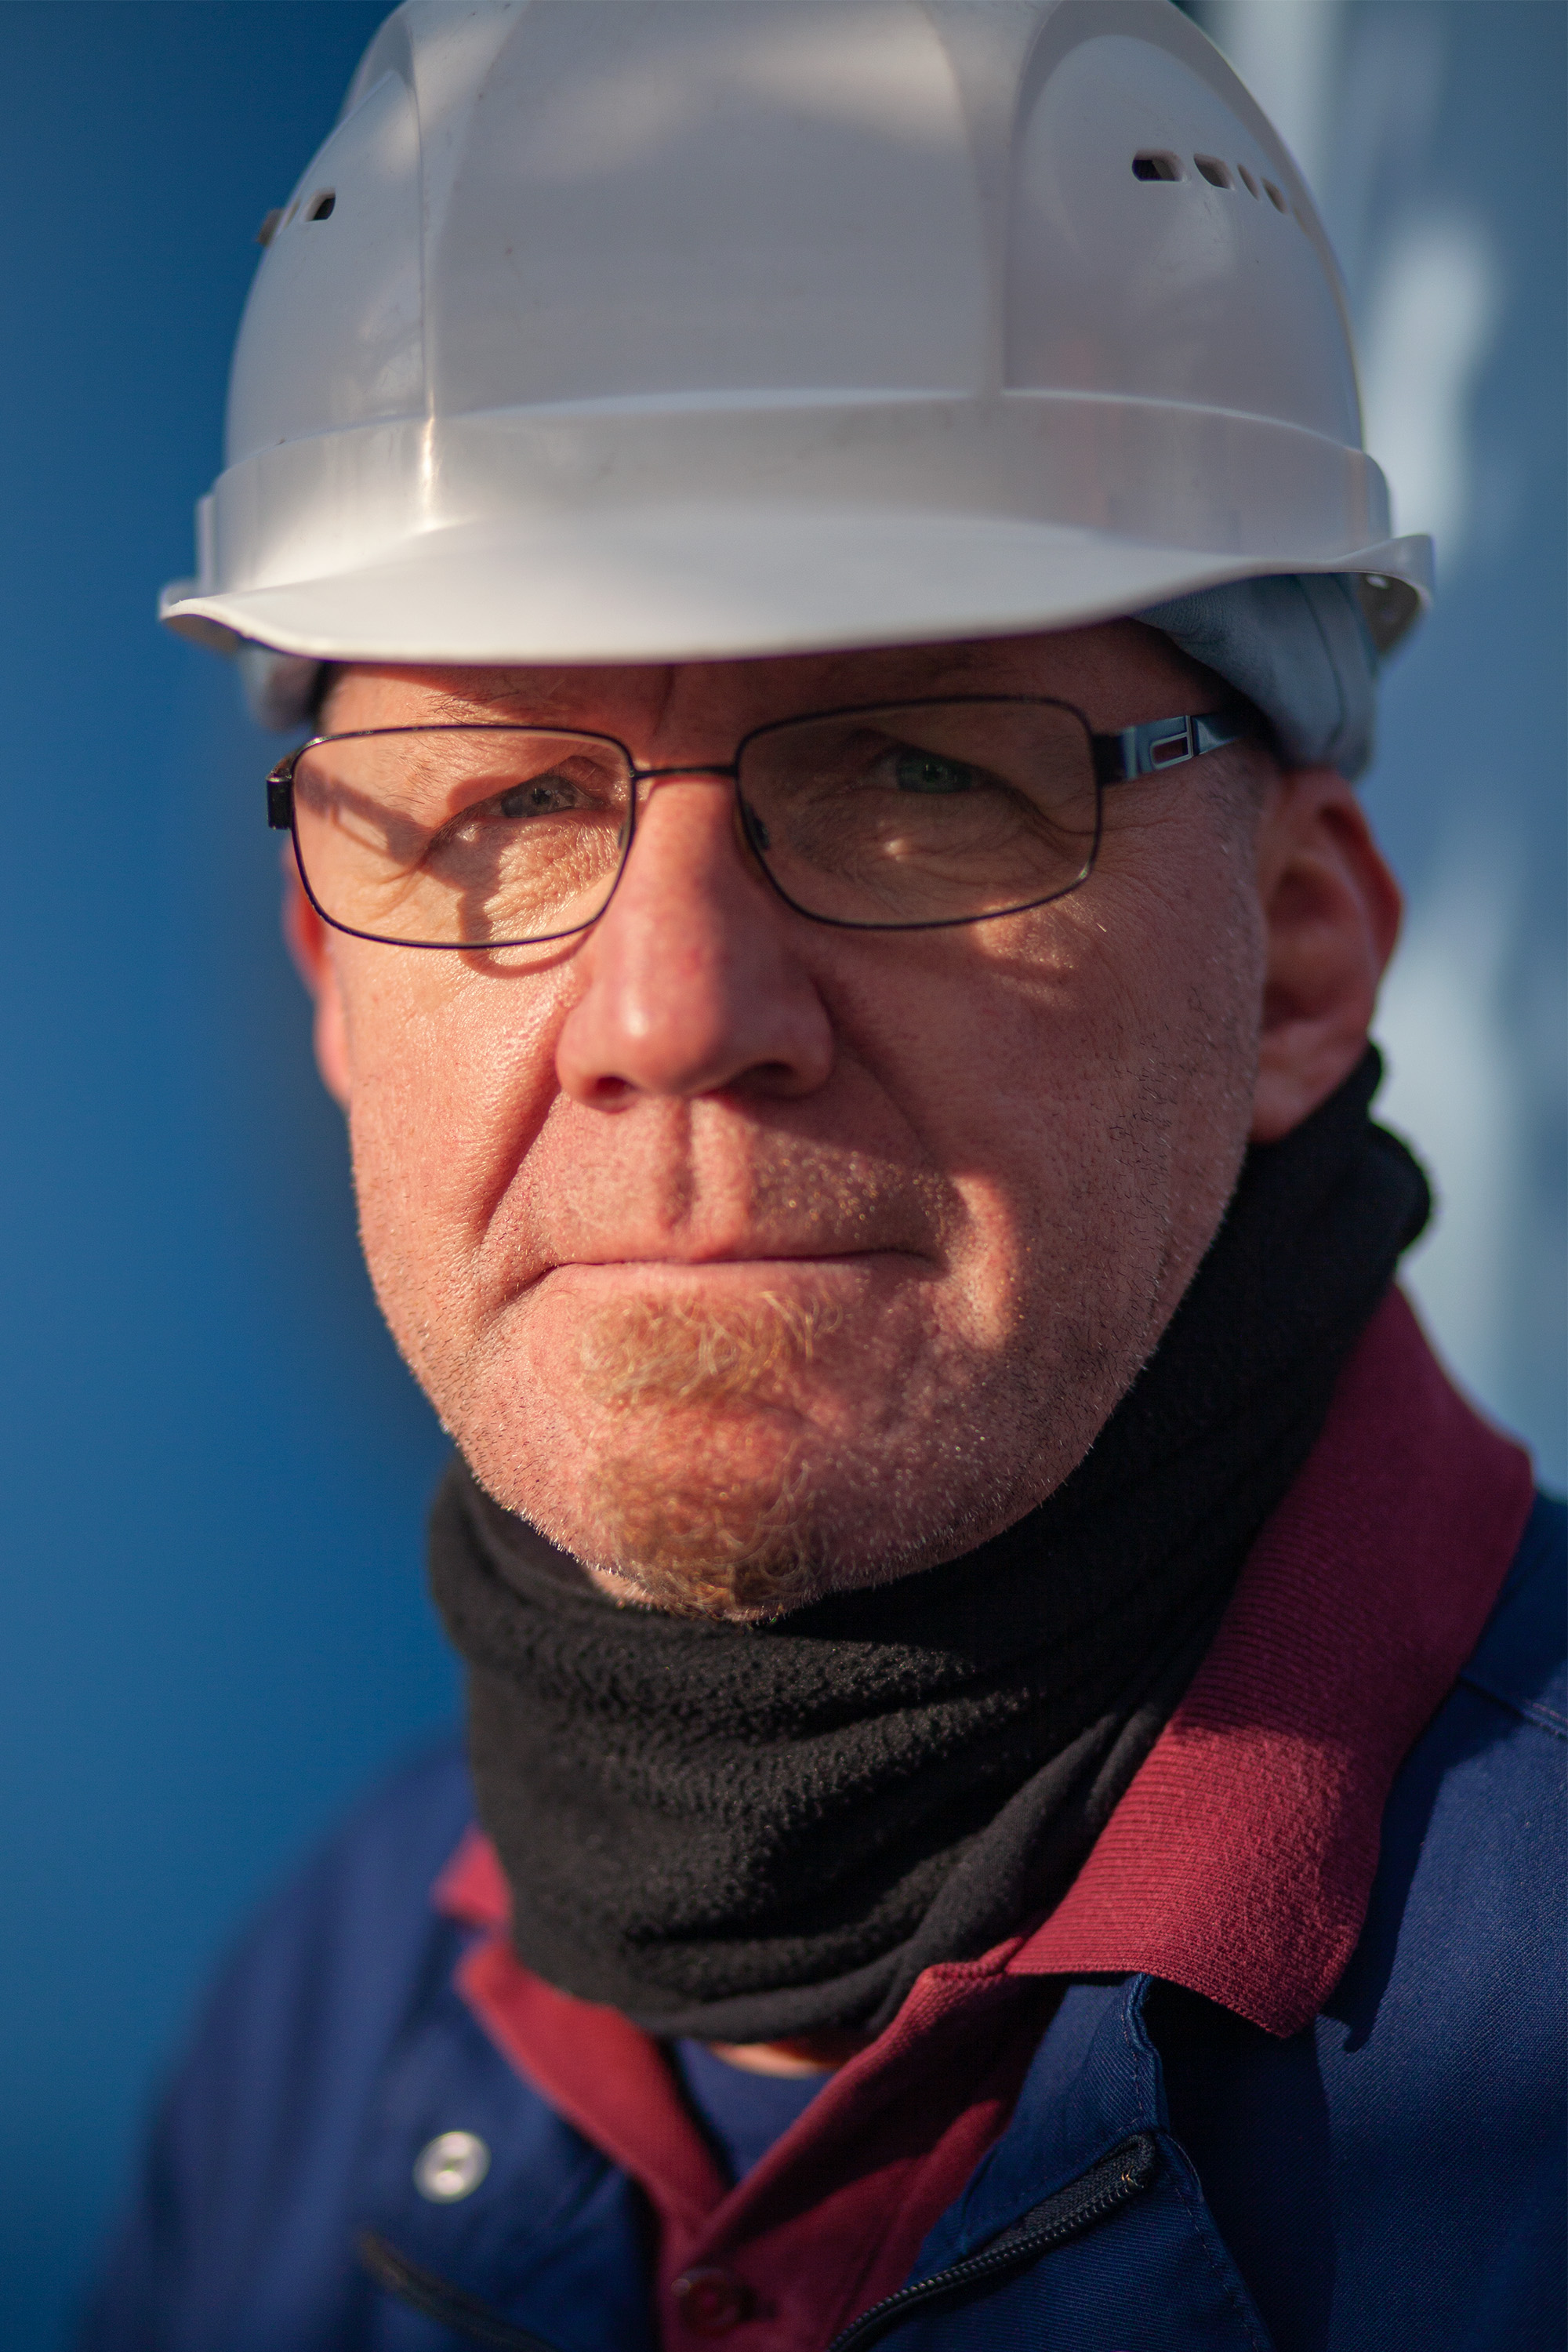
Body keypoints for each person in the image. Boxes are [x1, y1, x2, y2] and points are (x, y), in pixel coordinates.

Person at [85, 3, 1563, 2347]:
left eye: (917, 773)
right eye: (504, 804)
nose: (672, 1010)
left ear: (1295, 958)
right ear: (335, 984)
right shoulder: (324, 2014)